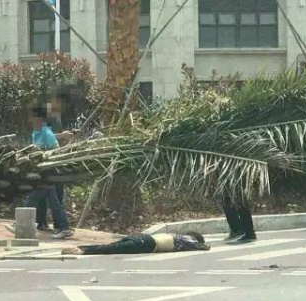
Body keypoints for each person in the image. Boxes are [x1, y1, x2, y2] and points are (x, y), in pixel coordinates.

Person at [23, 104, 74, 239]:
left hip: (49, 171)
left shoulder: (46, 133)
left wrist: (45, 156)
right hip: (41, 171)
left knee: (37, 198)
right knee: (49, 200)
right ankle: (60, 227)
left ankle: (21, 223)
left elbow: (56, 151)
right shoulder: (36, 132)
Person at [61, 231, 210, 255]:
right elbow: (199, 246)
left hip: (143, 238)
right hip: (147, 243)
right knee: (111, 249)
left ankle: (81, 248)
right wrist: (204, 245)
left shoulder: (174, 236)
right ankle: (81, 250)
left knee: (113, 247)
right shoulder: (189, 240)